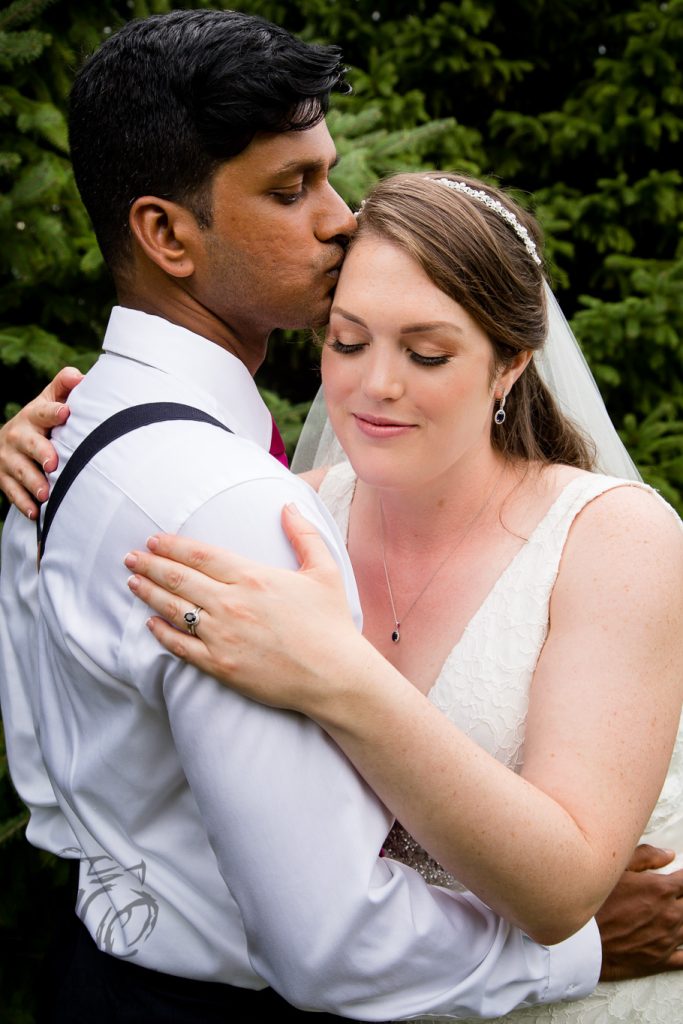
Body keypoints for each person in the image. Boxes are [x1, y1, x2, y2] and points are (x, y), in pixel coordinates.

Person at [0, 10, 604, 1024]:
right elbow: (334, 948)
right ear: (163, 233)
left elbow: (49, 776)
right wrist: (574, 954)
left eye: (328, 172)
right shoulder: (237, 508)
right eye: (291, 189)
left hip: (98, 977)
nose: (341, 216)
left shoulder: (64, 438)